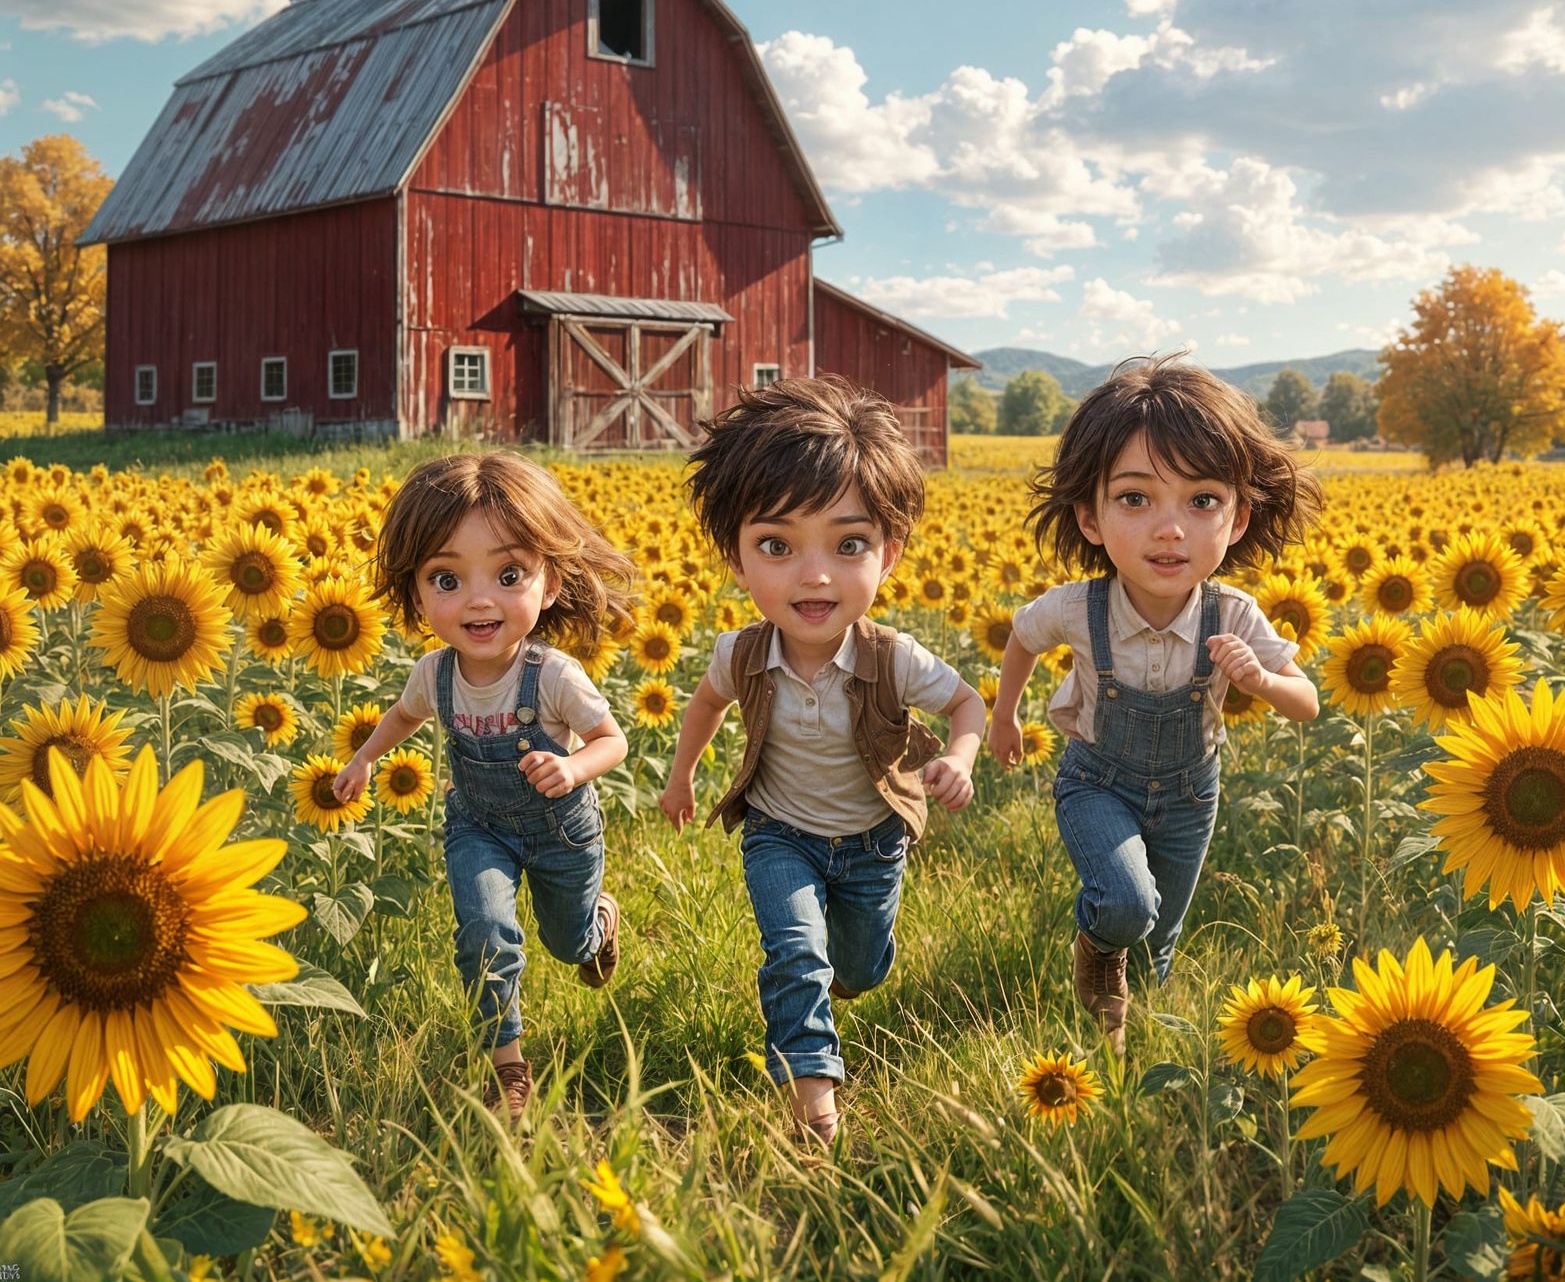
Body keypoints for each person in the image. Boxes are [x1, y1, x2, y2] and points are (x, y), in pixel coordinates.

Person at [658, 376, 986, 1149]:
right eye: (777, 546)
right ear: (736, 558)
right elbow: (704, 706)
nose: (815, 576)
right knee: (795, 955)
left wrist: (963, 757)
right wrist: (681, 778)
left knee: (861, 968)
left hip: (874, 840)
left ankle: (843, 979)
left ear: (889, 553)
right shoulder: (739, 654)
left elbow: (967, 705)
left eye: (848, 545)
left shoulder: (894, 657)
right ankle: (814, 1104)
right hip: (780, 834)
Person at [989, 353, 1322, 1056]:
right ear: (1090, 516)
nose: (1170, 529)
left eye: (1201, 500)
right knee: (1127, 903)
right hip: (1095, 780)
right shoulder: (1080, 608)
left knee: (1160, 935)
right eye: (1136, 499)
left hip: (1190, 794)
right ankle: (1095, 946)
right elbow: (1021, 639)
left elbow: (1307, 703)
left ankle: (1122, 1044)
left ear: (1237, 519)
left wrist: (1259, 683)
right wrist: (1004, 714)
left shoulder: (1232, 613)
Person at [331, 452, 633, 1126]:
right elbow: (403, 716)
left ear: (549, 584)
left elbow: (614, 741)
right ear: (416, 594)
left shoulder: (552, 676)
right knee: (485, 934)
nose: (478, 599)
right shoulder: (434, 673)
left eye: (508, 574)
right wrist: (364, 762)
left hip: (561, 831)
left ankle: (599, 926)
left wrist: (574, 767)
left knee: (567, 944)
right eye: (447, 577)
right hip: (478, 827)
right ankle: (509, 1068)